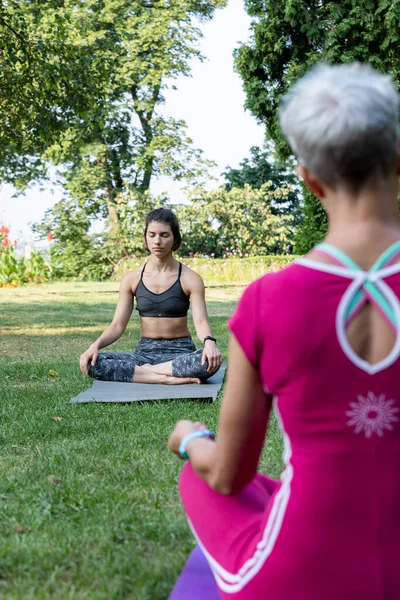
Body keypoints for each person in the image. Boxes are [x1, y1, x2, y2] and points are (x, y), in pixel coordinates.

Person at [168, 63, 400, 599]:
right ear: (397, 156)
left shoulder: (267, 302)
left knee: (198, 470)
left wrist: (189, 438)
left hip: (297, 578)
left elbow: (227, 475)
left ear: (309, 179)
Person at [80, 208, 222, 385]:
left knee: (209, 360)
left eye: (164, 235)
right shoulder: (131, 279)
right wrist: (94, 346)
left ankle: (145, 374)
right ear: (145, 237)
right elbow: (117, 325)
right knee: (94, 361)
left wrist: (209, 342)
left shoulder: (190, 278)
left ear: (174, 238)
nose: (157, 241)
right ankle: (166, 379)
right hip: (144, 353)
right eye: (152, 234)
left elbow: (200, 322)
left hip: (180, 353)